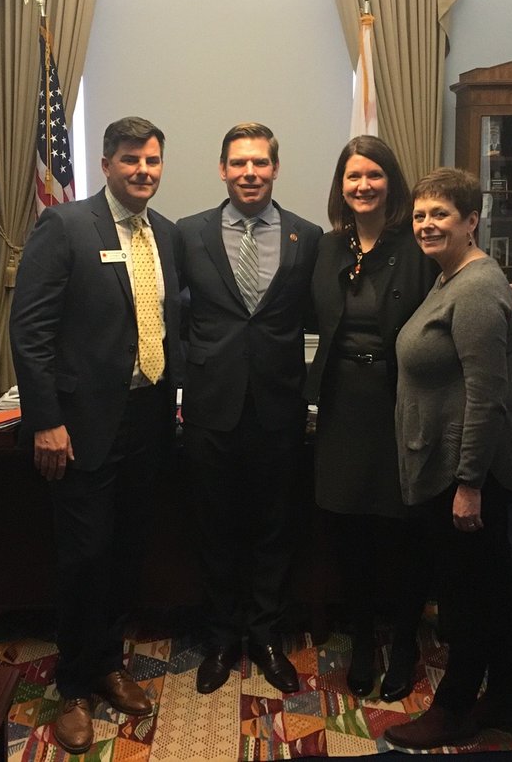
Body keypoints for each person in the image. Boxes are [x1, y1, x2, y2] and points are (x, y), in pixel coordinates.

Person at [9, 116, 180, 755]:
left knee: (128, 550)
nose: (144, 171)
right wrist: (46, 420)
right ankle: (74, 688)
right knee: (84, 556)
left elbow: (165, 321)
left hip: (147, 419)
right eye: (131, 159)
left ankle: (108, 663)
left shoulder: (163, 234)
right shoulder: (65, 226)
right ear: (107, 163)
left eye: (153, 160)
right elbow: (29, 331)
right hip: (79, 429)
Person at [385, 168, 512, 749]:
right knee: (493, 584)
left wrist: (468, 484)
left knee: (468, 595)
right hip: (454, 467)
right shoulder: (451, 277)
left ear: (472, 220)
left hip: (469, 474)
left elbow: (487, 397)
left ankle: (453, 709)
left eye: (440, 214)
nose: (426, 223)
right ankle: (507, 698)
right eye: (421, 214)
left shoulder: (475, 290)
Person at [177, 121, 323, 696]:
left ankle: (264, 636)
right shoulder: (187, 233)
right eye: (239, 163)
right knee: (214, 528)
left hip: (278, 408)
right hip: (211, 408)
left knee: (274, 527)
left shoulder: (306, 236)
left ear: (275, 169)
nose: (249, 173)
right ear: (222, 169)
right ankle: (219, 638)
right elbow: (161, 308)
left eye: (260, 163)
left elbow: (329, 308)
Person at [303, 135, 437, 701]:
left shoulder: (418, 244)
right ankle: (361, 640)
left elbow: (464, 280)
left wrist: (511, 290)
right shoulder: (328, 248)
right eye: (353, 177)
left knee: (401, 531)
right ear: (341, 186)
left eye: (373, 175)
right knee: (349, 530)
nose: (363, 185)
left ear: (391, 183)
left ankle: (403, 642)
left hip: (399, 402)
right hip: (341, 405)